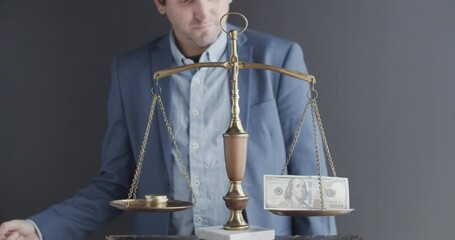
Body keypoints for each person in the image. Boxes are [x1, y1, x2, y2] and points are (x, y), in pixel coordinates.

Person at [0, 0, 337, 239]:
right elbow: (117, 183)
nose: (204, 11)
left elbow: (309, 179)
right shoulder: (131, 72)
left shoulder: (277, 59)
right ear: (160, 3)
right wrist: (41, 228)